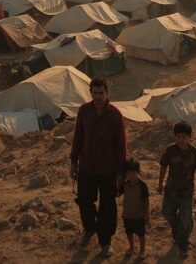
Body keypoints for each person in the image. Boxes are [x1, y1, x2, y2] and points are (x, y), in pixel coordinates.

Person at [70, 77, 127, 256]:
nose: (98, 97)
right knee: (84, 201)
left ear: (106, 93)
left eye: (101, 93)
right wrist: (73, 162)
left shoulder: (115, 114)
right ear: (90, 93)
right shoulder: (84, 111)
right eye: (95, 93)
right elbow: (78, 137)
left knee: (108, 206)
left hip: (108, 168)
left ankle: (105, 241)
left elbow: (121, 145)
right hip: (87, 166)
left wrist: (120, 172)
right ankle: (90, 228)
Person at [158, 121, 196, 259]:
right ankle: (178, 228)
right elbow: (163, 166)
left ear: (189, 137)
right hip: (171, 190)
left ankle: (183, 244)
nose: (181, 140)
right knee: (167, 213)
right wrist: (160, 183)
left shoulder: (194, 152)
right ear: (175, 137)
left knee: (184, 220)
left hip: (187, 192)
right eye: (178, 136)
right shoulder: (170, 150)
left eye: (184, 137)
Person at [120, 158, 150, 259]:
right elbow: (117, 193)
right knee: (129, 232)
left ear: (138, 172)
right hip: (127, 214)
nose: (131, 176)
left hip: (139, 215)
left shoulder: (142, 186)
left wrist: (146, 213)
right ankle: (131, 247)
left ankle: (142, 250)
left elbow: (146, 200)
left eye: (133, 173)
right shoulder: (125, 184)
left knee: (141, 234)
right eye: (128, 173)